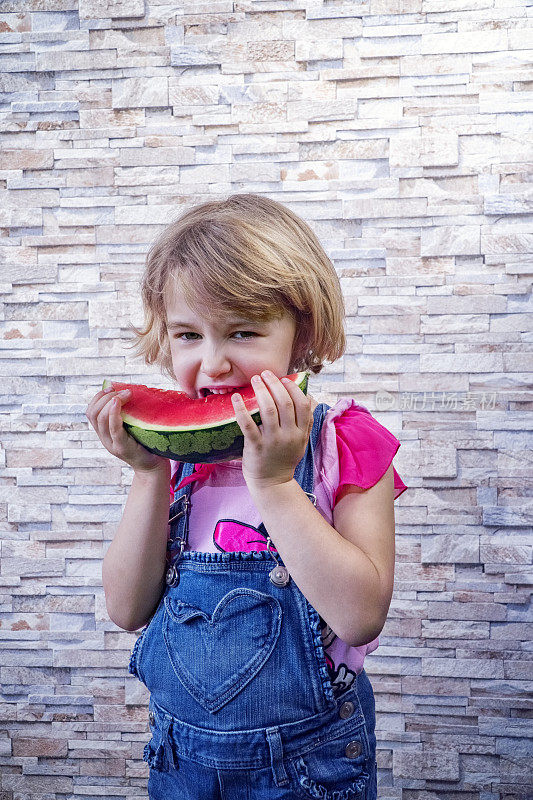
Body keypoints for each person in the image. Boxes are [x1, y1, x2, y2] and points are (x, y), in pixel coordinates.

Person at [85, 193, 408, 799]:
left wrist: (276, 484)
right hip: (181, 761)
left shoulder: (348, 443)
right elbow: (128, 610)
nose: (212, 363)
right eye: (187, 334)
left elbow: (360, 618)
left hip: (308, 765)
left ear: (303, 334)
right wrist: (148, 474)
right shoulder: (180, 460)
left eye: (243, 331)